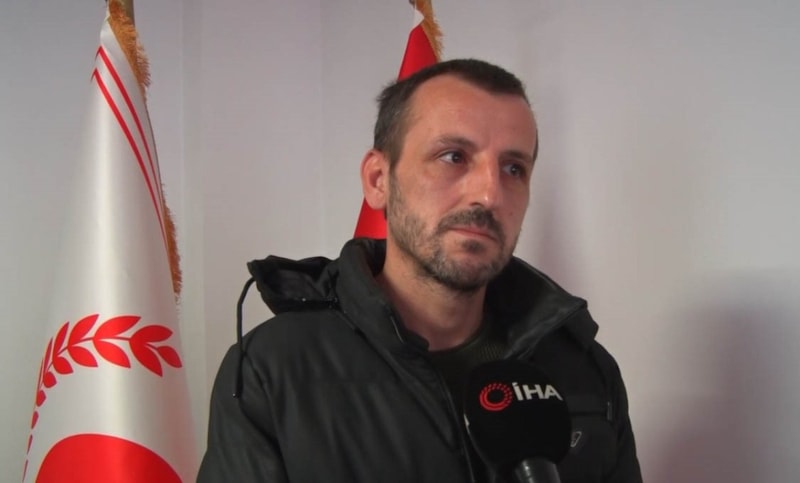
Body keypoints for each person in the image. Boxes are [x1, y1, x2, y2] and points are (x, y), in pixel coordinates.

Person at [197, 58, 642, 483]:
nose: (490, 194)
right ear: (378, 180)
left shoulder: (586, 371)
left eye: (513, 168)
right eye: (453, 157)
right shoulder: (272, 370)